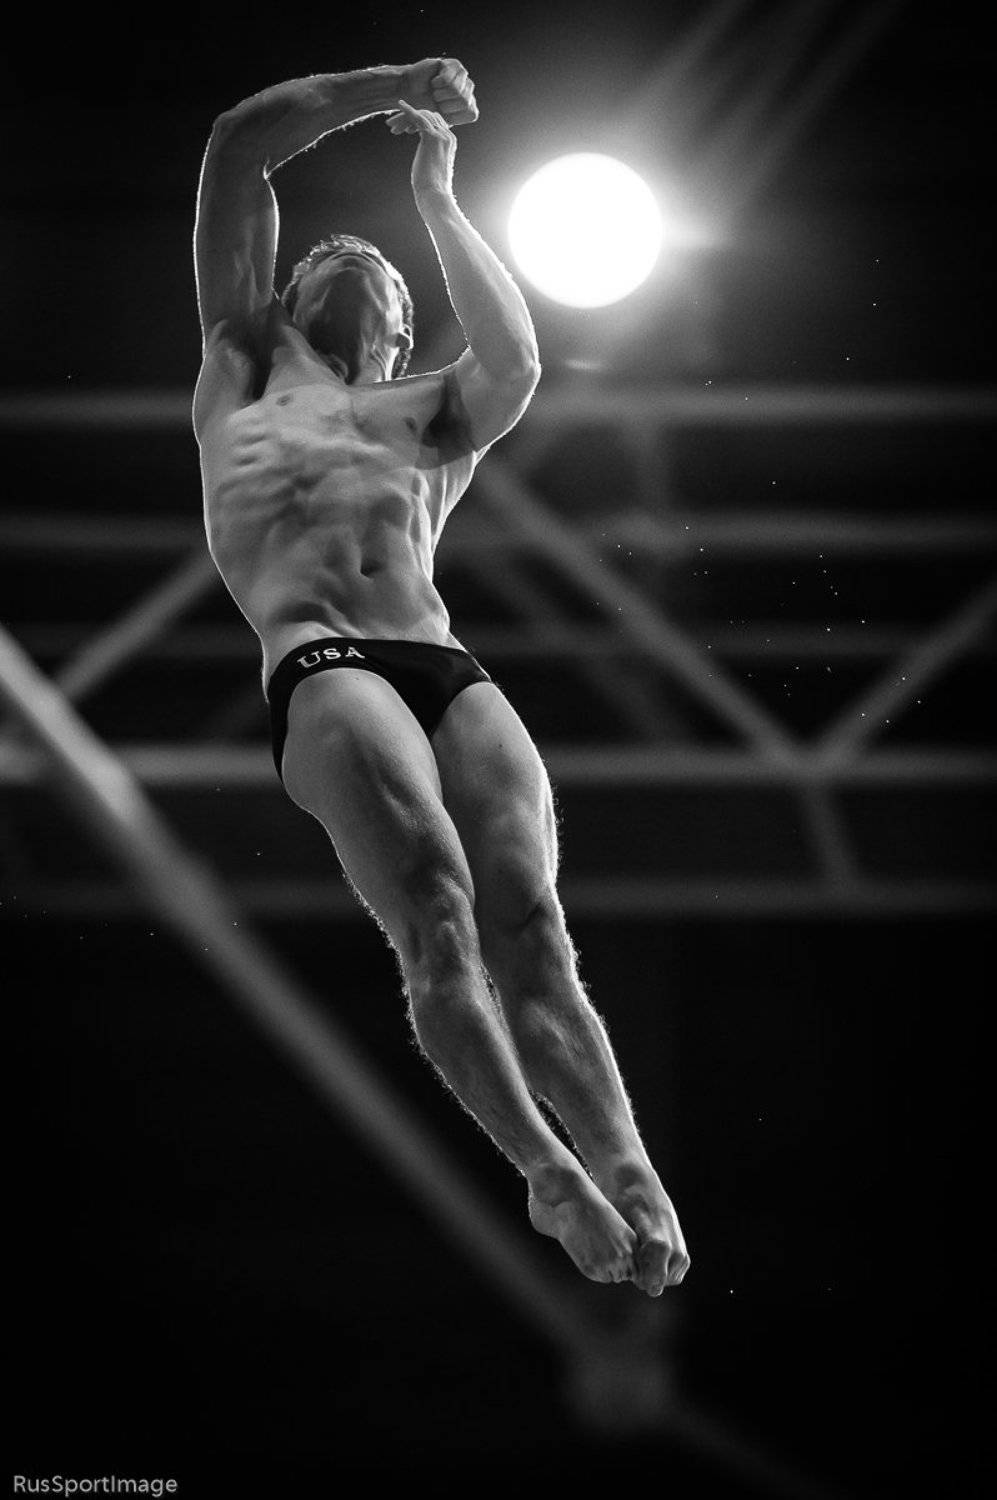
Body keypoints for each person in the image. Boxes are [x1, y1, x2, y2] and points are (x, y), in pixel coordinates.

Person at [193, 55, 689, 1296]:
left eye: (376, 265)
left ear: (406, 329)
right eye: (321, 257)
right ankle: (542, 1164)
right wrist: (392, 85)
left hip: (442, 661)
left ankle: (627, 1161)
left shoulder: (434, 416)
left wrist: (436, 189)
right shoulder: (243, 362)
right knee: (440, 911)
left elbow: (515, 360)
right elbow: (239, 147)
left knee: (534, 930)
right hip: (323, 654)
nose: (344, 256)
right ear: (285, 295)